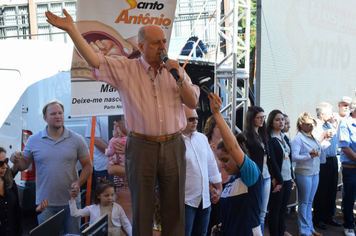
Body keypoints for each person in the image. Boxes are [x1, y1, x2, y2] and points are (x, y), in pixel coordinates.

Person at [45, 9, 200, 236]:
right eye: (156, 43)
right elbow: (93, 58)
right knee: (142, 208)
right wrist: (71, 29)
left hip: (173, 144)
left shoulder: (176, 71)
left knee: (174, 208)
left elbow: (192, 102)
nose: (163, 47)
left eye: (164, 42)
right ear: (141, 45)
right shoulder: (126, 69)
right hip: (141, 146)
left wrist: (179, 76)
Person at [10, 100, 93, 234]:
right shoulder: (34, 140)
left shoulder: (77, 139)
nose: (58, 116)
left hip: (71, 202)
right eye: (53, 114)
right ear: (45, 118)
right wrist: (15, 160)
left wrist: (78, 183)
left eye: (60, 113)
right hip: (45, 204)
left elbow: (88, 166)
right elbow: (24, 164)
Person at [208, 93, 263, 236]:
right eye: (221, 161)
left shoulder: (251, 174)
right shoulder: (233, 180)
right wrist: (222, 225)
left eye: (225, 160)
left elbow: (232, 147)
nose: (223, 166)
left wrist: (216, 113)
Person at [238, 106, 282, 234]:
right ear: (251, 119)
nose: (262, 120)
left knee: (263, 213)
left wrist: (276, 177)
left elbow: (270, 159)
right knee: (254, 213)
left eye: (263, 117)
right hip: (254, 178)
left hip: (267, 177)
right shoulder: (244, 137)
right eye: (259, 117)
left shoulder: (264, 135)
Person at [182, 106, 222, 236]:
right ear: (180, 119)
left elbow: (211, 164)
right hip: (185, 201)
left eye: (197, 118)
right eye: (191, 119)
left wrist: (219, 188)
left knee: (202, 234)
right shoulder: (174, 140)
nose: (196, 122)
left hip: (204, 200)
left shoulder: (202, 138)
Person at [291, 112, 325, 236]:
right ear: (301, 125)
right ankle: (304, 230)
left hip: (314, 171)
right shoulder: (298, 138)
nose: (311, 126)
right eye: (308, 124)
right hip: (304, 172)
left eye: (312, 124)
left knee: (309, 202)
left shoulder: (313, 136)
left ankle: (310, 228)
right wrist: (308, 155)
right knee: (304, 202)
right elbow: (293, 156)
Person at [312, 103, 342, 230]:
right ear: (322, 114)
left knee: (332, 189)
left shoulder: (330, 124)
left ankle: (329, 216)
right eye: (329, 113)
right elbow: (316, 144)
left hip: (333, 160)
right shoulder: (315, 126)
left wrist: (336, 123)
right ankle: (318, 218)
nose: (332, 114)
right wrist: (324, 135)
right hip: (322, 162)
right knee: (321, 190)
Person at [266, 110, 294, 236]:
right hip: (278, 179)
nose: (281, 122)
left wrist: (292, 177)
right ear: (271, 123)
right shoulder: (270, 139)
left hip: (288, 177)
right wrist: (279, 179)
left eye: (282, 119)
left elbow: (289, 158)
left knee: (283, 208)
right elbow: (272, 162)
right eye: (277, 120)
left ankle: (282, 231)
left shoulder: (284, 137)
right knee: (275, 210)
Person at [203, 115, 230, 235]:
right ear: (211, 128)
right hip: (212, 191)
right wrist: (213, 191)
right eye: (219, 127)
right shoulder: (205, 147)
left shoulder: (230, 147)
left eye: (226, 126)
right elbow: (203, 172)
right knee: (213, 223)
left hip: (228, 187)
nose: (224, 129)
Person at [337, 98, 356, 236]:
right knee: (350, 197)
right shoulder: (345, 123)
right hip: (351, 168)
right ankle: (348, 225)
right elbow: (345, 148)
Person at [0, 147, 22, 236]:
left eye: (6, 161)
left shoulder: (9, 183)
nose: (5, 166)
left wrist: (37, 209)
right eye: (1, 163)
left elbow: (17, 211)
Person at [85, 116, 112, 184]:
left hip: (122, 166)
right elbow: (95, 140)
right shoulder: (95, 113)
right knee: (105, 192)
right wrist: (115, 154)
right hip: (103, 166)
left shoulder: (121, 109)